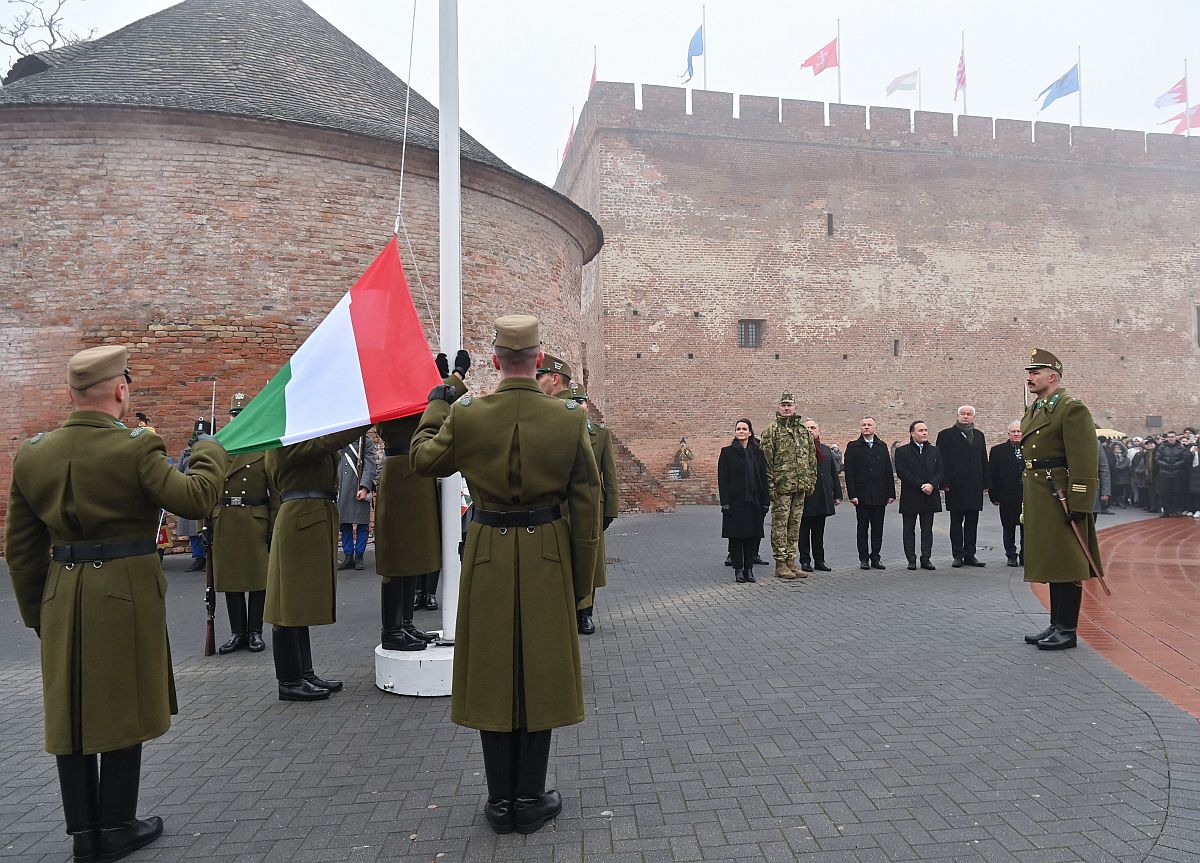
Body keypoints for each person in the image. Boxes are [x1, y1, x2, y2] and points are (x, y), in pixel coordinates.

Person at [5, 345, 227, 862]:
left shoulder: (34, 452)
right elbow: (194, 499)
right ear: (121, 390)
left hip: (61, 592)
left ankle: (85, 833)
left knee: (72, 713)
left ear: (71, 394)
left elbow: (20, 548)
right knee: (123, 705)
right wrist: (209, 449)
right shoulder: (135, 448)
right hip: (124, 592)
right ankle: (119, 824)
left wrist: (39, 611)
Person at [411, 315, 600, 836]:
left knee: (492, 670)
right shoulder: (567, 418)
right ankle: (531, 797)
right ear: (539, 361)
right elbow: (586, 500)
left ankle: (500, 801)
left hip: (488, 551)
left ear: (494, 361)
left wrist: (441, 399)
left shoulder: (470, 415)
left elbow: (424, 459)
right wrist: (581, 577)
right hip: (548, 555)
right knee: (540, 669)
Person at [265, 423, 370, 701]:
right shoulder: (286, 434)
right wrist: (359, 421)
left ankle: (304, 672)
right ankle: (289, 680)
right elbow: (322, 444)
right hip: (300, 515)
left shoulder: (300, 432)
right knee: (287, 604)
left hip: (312, 514)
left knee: (299, 602)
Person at [374, 352, 469, 650]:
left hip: (410, 475)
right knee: (399, 558)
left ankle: (404, 624)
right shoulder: (393, 396)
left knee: (411, 556)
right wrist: (455, 376)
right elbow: (435, 408)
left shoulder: (397, 392)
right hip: (404, 472)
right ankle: (392, 631)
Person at [1020, 349, 1103, 650]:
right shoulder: (1038, 408)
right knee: (1054, 560)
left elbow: (1084, 459)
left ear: (1052, 376)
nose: (1029, 377)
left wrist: (1080, 504)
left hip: (1061, 496)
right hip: (1041, 493)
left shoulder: (1071, 408)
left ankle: (1067, 629)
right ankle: (1056, 624)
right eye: (1029, 372)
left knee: (1068, 561)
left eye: (1035, 373)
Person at [210, 392, 277, 654]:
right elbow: (206, 487)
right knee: (231, 579)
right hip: (225, 518)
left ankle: (255, 631)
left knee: (258, 579)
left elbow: (276, 492)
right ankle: (237, 632)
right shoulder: (217, 447)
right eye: (233, 414)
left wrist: (274, 526)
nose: (236, 418)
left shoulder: (262, 445)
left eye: (241, 414)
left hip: (254, 517)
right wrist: (203, 526)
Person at [567, 383, 618, 633]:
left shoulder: (600, 434)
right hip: (563, 506)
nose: (579, 405)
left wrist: (610, 510)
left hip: (592, 508)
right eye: (573, 401)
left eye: (581, 401)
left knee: (592, 561)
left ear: (587, 405)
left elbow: (609, 474)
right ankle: (566, 610)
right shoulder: (557, 432)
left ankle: (585, 613)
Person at [759, 392, 817, 579]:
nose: (786, 408)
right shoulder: (772, 430)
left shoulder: (803, 431)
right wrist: (770, 486)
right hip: (781, 488)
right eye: (783, 405)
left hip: (800, 486)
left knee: (795, 525)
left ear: (795, 407)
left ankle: (792, 561)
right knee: (780, 526)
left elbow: (811, 458)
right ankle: (780, 563)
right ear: (778, 407)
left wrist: (811, 480)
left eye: (789, 405)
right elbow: (766, 462)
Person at [717, 418, 770, 583]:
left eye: (744, 429)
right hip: (734, 501)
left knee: (751, 536)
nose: (741, 431)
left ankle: (749, 570)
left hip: (753, 501)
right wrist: (724, 502)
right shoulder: (727, 452)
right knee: (736, 537)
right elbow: (722, 479)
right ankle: (738, 570)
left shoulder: (758, 453)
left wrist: (765, 501)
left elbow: (763, 478)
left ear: (750, 432)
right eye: (738, 429)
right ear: (735, 432)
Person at [936, 406, 989, 567]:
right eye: (963, 414)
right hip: (955, 485)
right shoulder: (945, 435)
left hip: (974, 485)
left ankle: (970, 554)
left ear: (973, 417)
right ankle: (958, 554)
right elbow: (940, 460)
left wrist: (986, 483)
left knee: (972, 522)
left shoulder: (979, 435)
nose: (966, 417)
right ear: (957, 415)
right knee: (956, 521)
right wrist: (944, 483)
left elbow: (983, 459)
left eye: (969, 414)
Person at [843, 417, 895, 570]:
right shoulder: (853, 447)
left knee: (878, 528)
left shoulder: (881, 446)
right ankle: (864, 558)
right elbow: (849, 473)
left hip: (879, 494)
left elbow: (887, 470)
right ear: (860, 428)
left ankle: (876, 557)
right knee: (863, 527)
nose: (866, 427)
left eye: (869, 425)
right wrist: (852, 494)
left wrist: (891, 493)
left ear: (875, 427)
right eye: (863, 425)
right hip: (862, 495)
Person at [894, 420, 943, 571]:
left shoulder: (934, 451)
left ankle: (926, 558)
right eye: (921, 430)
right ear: (912, 433)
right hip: (911, 495)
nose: (924, 433)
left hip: (930, 495)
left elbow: (940, 471)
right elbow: (902, 472)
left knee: (927, 530)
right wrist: (921, 485)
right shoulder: (902, 451)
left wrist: (932, 484)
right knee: (908, 530)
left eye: (926, 430)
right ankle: (911, 559)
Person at [797, 418, 841, 573]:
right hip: (806, 497)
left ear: (818, 431)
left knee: (819, 531)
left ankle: (819, 560)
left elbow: (833, 473)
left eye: (813, 428)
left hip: (822, 496)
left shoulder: (826, 449)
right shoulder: (798, 449)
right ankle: (805, 560)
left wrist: (837, 493)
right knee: (803, 531)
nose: (810, 430)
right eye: (807, 428)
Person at [336, 434, 378, 570]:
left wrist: (364, 487)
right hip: (343, 486)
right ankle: (348, 555)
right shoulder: (339, 441)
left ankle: (359, 555)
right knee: (345, 523)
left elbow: (370, 465)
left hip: (357, 485)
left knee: (362, 524)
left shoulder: (365, 442)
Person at [175, 421, 211, 572]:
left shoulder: (214, 449)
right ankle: (198, 558)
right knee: (192, 529)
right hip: (189, 490)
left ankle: (209, 558)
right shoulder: (186, 452)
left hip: (207, 492)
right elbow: (178, 470)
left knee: (207, 529)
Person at [988, 420, 1025, 567]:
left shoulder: (1029, 449)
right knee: (1008, 526)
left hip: (1026, 496)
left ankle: (1025, 555)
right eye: (1013, 432)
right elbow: (993, 474)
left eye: (1018, 432)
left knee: (1026, 528)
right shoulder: (998, 451)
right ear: (1008, 433)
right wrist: (994, 495)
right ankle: (1010, 554)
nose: (1016, 434)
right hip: (1007, 494)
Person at [1153, 431, 1190, 517]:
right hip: (1164, 473)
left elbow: (1185, 458)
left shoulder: (1181, 447)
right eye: (1169, 437)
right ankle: (1166, 510)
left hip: (1177, 473)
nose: (1170, 438)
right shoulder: (1162, 447)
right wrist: (1166, 465)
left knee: (1177, 492)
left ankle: (1176, 510)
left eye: (1172, 436)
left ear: (1175, 437)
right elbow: (1157, 458)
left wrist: (1176, 464)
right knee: (1164, 493)